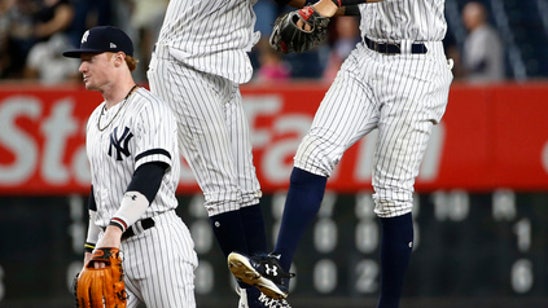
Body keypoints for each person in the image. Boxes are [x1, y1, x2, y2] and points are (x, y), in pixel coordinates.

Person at [227, 0, 454, 307]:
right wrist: (315, 6)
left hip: (417, 67)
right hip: (368, 57)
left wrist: (329, 4)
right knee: (313, 153)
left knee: (392, 195)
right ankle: (277, 269)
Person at [146, 0, 306, 307]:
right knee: (222, 188)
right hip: (182, 67)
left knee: (246, 186)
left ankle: (264, 290)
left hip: (219, 66)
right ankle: (251, 293)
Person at [63, 25, 197, 307]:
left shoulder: (150, 109)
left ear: (118, 58)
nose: (82, 68)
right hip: (114, 249)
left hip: (157, 243)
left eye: (90, 58)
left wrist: (112, 231)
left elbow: (150, 172)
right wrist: (91, 248)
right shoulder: (95, 119)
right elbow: (98, 190)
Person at [461, 1, 504, 83]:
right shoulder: (474, 35)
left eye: (468, 17)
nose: (465, 20)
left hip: (488, 85)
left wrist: (461, 71)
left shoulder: (485, 35)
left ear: (479, 17)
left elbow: (481, 64)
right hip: (478, 86)